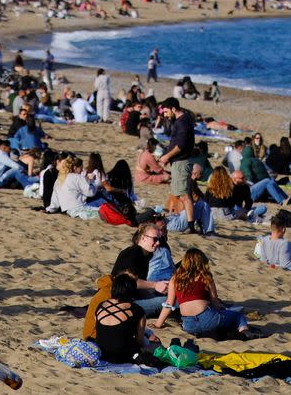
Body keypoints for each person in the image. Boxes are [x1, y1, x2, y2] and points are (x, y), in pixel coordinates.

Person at [152, 248, 257, 340]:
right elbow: (215, 301)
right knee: (238, 317)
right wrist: (221, 308)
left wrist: (158, 324)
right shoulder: (205, 277)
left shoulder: (175, 279)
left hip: (188, 324)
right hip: (207, 316)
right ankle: (244, 333)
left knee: (212, 326)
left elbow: (169, 304)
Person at [95, 274, 159, 363]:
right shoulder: (137, 310)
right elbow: (139, 341)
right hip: (124, 356)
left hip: (101, 353)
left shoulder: (101, 306)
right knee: (155, 346)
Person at [110, 223, 168, 317]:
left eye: (159, 239)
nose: (158, 243)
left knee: (166, 298)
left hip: (130, 299)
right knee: (168, 302)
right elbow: (130, 281)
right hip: (122, 304)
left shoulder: (144, 254)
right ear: (144, 237)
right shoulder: (133, 253)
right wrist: (155, 285)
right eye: (155, 239)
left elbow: (137, 286)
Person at [158, 98, 195, 228]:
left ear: (174, 109)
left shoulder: (182, 122)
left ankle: (190, 226)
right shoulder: (183, 120)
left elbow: (180, 145)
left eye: (166, 112)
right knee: (181, 193)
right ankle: (186, 222)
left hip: (181, 162)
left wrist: (166, 156)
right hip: (179, 161)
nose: (165, 115)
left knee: (184, 195)